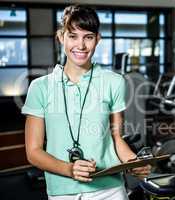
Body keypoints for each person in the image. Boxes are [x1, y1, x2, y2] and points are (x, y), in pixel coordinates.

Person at [22, 5, 151, 200]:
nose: (81, 45)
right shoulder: (40, 87)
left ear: (97, 39)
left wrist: (134, 163)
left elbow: (117, 140)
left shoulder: (114, 82)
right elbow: (33, 151)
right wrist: (68, 169)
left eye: (88, 37)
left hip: (110, 190)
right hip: (62, 191)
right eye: (73, 36)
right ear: (61, 37)